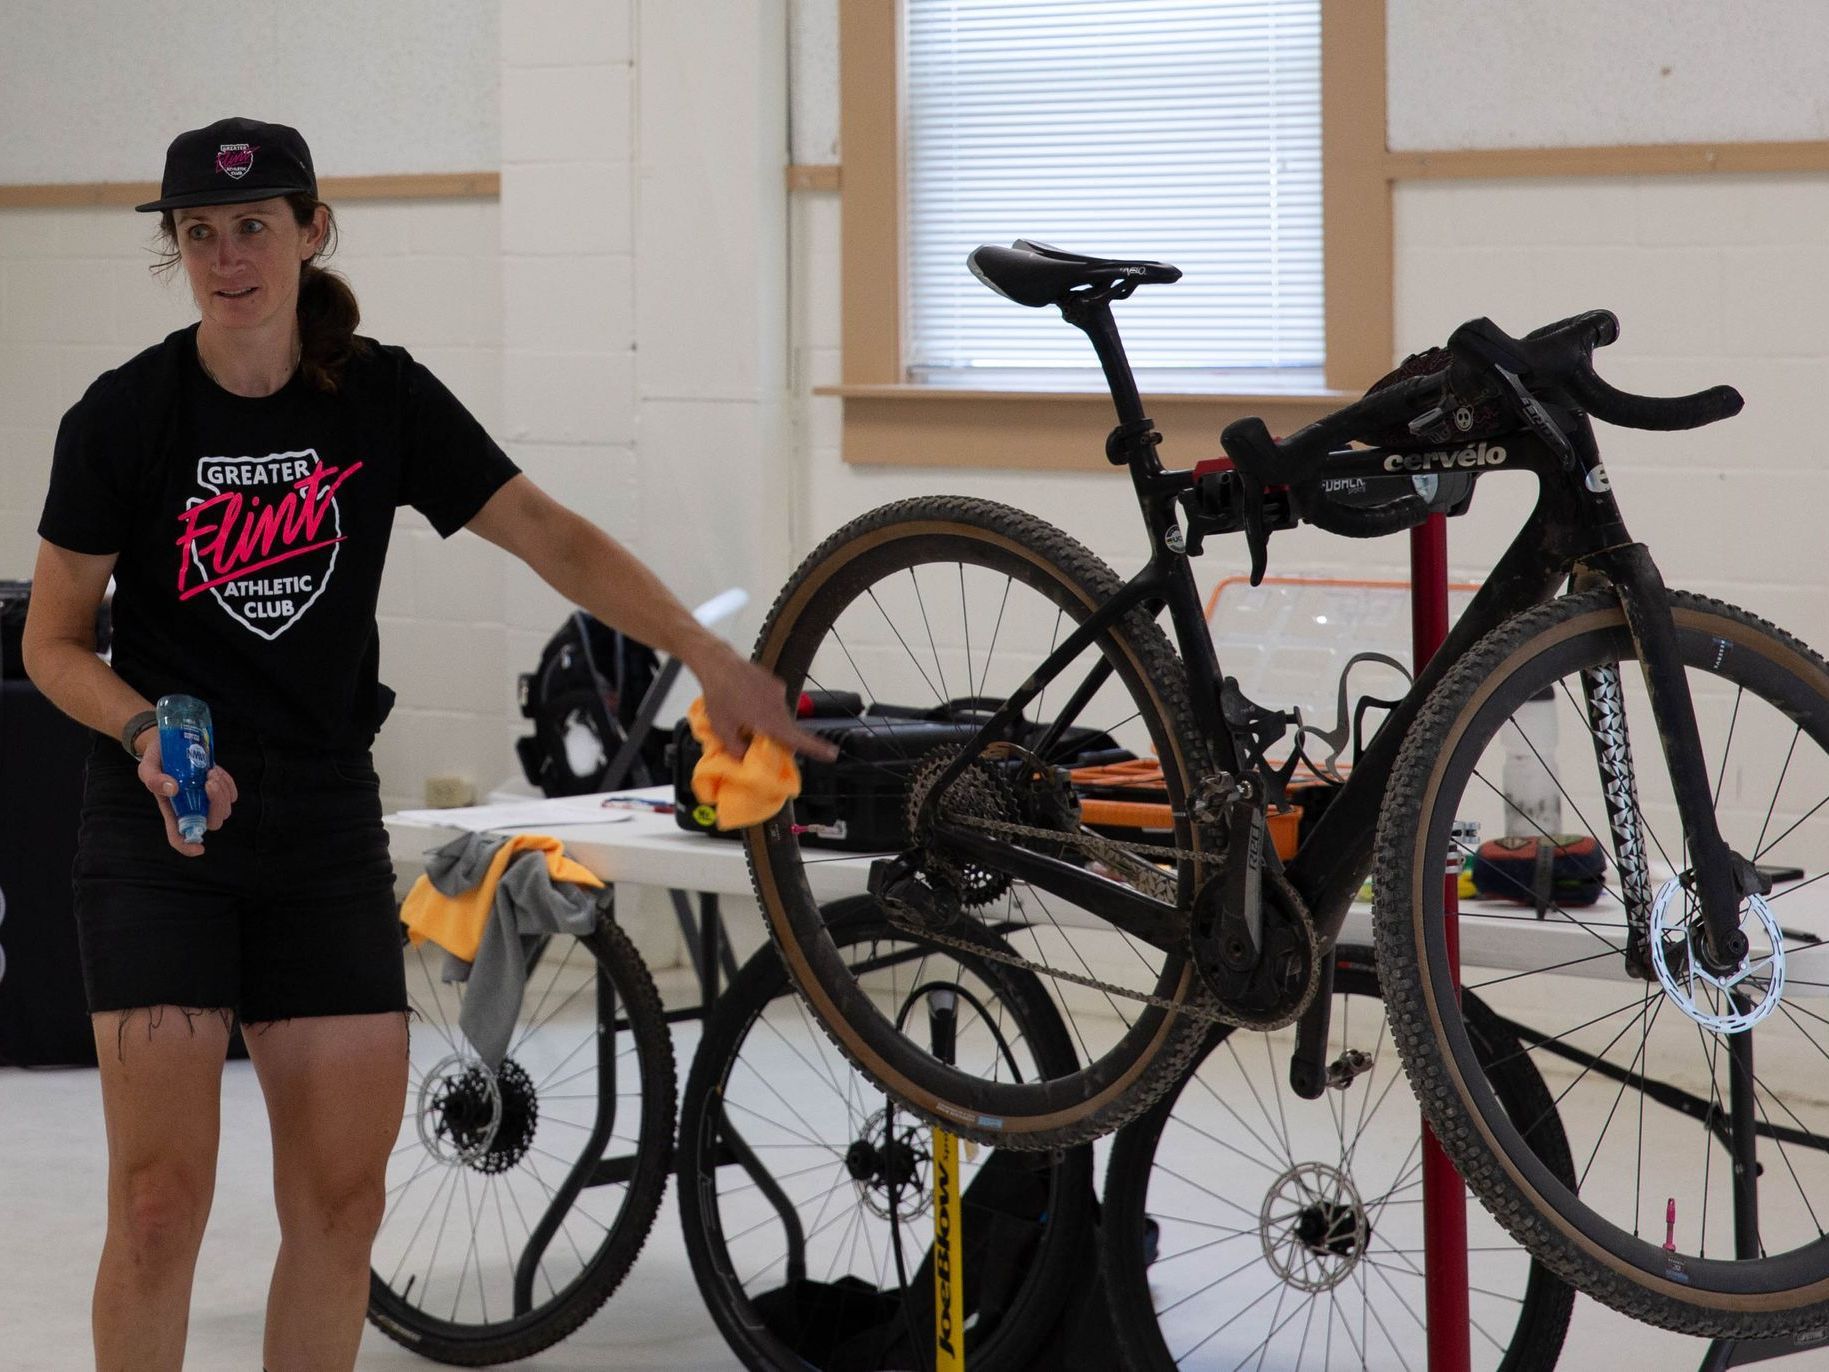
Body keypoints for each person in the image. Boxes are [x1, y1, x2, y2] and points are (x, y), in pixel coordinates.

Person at [21, 116, 834, 1372]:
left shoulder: (379, 397)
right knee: (155, 1207)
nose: (227, 258)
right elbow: (55, 642)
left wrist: (716, 660)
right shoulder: (123, 417)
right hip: (160, 828)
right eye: (198, 234)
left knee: (342, 1207)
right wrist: (143, 722)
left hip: (318, 826)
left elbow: (547, 535)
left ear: (310, 230)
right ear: (174, 249)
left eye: (253, 227)